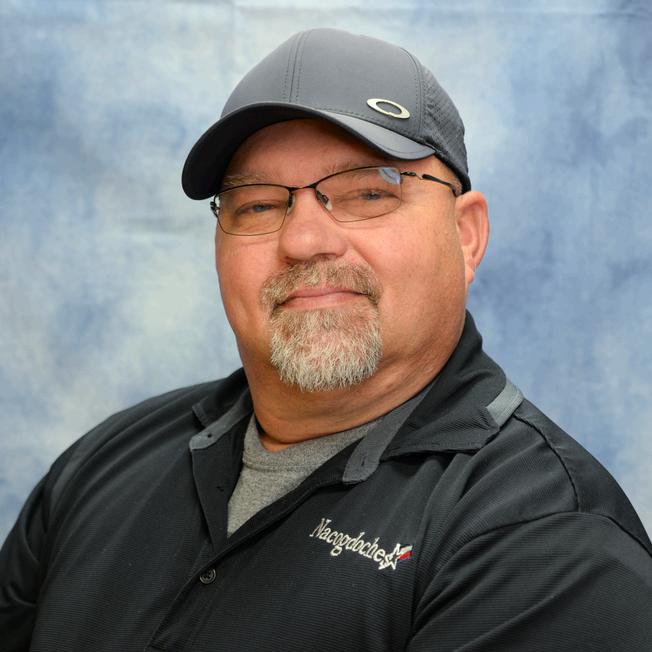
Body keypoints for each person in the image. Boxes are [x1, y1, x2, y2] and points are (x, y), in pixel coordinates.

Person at [1, 27, 651, 652]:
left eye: (368, 192)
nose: (305, 240)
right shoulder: (103, 463)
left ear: (466, 235)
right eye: (259, 204)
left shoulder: (547, 542)